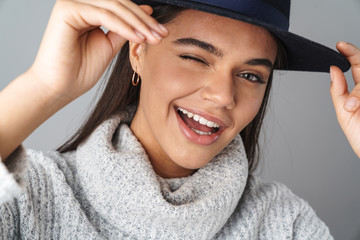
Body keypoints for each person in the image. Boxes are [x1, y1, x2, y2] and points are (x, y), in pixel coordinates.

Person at [0, 0, 359, 239]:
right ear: (138, 51)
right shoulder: (28, 194)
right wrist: (43, 87)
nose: (223, 96)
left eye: (251, 75)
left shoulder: (285, 223)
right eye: (196, 58)